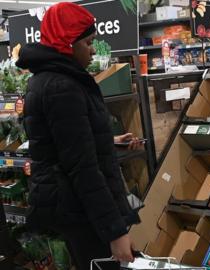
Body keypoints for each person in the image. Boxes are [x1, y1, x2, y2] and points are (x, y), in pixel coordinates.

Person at [16, 2, 141, 269]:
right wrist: (114, 231)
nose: (93, 49)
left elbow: (67, 144)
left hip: (72, 204)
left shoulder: (51, 79)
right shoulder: (62, 87)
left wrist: (108, 141)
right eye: (88, 42)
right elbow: (82, 169)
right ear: (67, 44)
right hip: (80, 208)